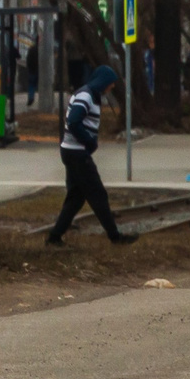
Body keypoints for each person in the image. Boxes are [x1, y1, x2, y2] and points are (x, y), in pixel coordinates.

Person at [48, 65, 138, 245]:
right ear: (102, 82)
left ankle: (54, 237)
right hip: (77, 153)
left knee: (76, 198)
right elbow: (73, 121)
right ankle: (115, 237)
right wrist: (89, 141)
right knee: (98, 194)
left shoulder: (90, 96)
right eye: (110, 84)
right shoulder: (85, 95)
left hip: (72, 151)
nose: (111, 87)